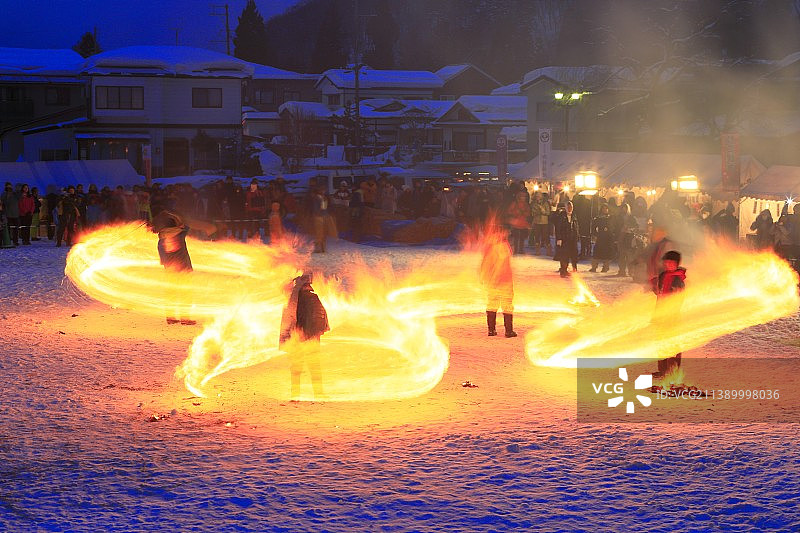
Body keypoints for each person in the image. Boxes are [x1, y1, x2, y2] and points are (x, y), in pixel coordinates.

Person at [279, 273, 329, 401]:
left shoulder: (293, 300)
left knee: (297, 368)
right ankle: (318, 394)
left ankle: (296, 394)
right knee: (314, 367)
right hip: (309, 338)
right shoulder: (313, 298)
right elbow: (322, 318)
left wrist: (287, 338)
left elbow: (288, 320)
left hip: (298, 338)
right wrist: (316, 333)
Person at [151, 207, 199, 325]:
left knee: (171, 292)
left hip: (170, 269)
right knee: (185, 292)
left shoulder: (161, 241)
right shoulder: (180, 234)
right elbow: (184, 224)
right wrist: (170, 214)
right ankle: (185, 318)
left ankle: (171, 317)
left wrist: (157, 220)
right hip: (183, 268)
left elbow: (163, 259)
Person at [651, 250, 686, 379]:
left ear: (676, 264)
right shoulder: (663, 275)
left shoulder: (678, 279)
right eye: (666, 262)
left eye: (671, 263)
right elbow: (659, 293)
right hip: (660, 313)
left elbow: (678, 298)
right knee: (661, 341)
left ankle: (672, 371)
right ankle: (662, 370)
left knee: (672, 342)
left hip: (671, 316)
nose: (668, 265)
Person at [479, 226, 516, 337]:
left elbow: (485, 263)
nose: (507, 233)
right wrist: (496, 277)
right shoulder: (502, 246)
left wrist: (483, 277)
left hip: (491, 280)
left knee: (492, 303)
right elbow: (501, 264)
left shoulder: (489, 246)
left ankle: (491, 330)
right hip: (503, 280)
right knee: (507, 304)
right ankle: (508, 331)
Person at [555, 200, 580, 277]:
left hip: (572, 239)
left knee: (573, 254)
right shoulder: (561, 216)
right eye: (568, 207)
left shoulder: (574, 216)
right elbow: (558, 228)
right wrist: (559, 238)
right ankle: (563, 270)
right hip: (564, 239)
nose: (569, 209)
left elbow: (576, 227)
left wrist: (577, 236)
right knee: (564, 255)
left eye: (571, 207)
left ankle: (573, 268)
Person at [589, 204, 615, 272]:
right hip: (600, 237)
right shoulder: (598, 218)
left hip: (608, 238)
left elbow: (613, 227)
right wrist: (595, 234)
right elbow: (593, 227)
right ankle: (594, 267)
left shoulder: (611, 218)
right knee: (596, 252)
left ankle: (605, 267)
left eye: (606, 208)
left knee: (607, 253)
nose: (605, 210)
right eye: (603, 208)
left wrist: (611, 233)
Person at [615, 203, 639, 277]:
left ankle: (631, 271)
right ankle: (621, 271)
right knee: (621, 256)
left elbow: (636, 227)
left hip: (629, 239)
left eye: (625, 208)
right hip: (621, 238)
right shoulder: (619, 217)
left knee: (629, 257)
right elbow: (616, 227)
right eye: (623, 207)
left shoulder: (632, 218)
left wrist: (629, 229)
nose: (623, 209)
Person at [506, 190, 530, 254]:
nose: (523, 198)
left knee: (522, 238)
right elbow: (509, 211)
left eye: (524, 197)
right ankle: (516, 250)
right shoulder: (515, 203)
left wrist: (524, 213)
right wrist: (516, 213)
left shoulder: (526, 204)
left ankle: (521, 249)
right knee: (516, 238)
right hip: (516, 223)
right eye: (522, 196)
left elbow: (528, 213)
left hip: (522, 223)